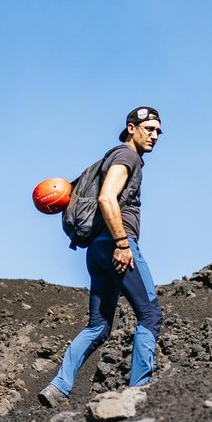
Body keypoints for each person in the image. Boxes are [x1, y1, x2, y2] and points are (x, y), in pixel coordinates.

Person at [39, 107, 164, 406]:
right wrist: (122, 243)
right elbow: (107, 197)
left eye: (159, 131)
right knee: (150, 315)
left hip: (95, 250)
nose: (155, 135)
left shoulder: (110, 157)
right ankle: (138, 390)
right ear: (131, 128)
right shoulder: (126, 157)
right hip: (116, 244)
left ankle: (58, 387)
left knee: (99, 326)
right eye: (149, 129)